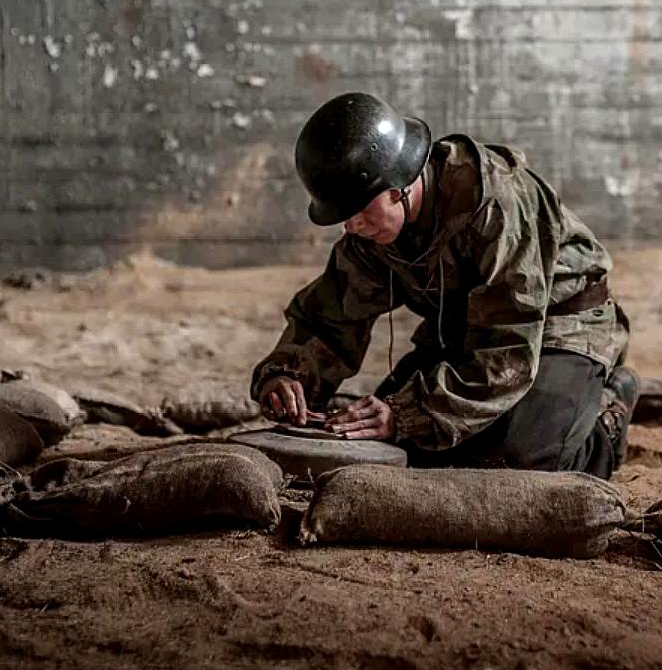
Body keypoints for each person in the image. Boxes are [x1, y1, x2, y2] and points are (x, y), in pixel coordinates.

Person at [248, 93, 639, 479]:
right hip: (468, 330)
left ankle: (608, 411)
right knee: (397, 445)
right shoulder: (370, 230)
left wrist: (404, 412)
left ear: (399, 185)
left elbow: (510, 350)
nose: (350, 227)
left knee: (520, 463)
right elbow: (331, 319)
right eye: (343, 215)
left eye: (359, 211)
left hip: (558, 327)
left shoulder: (495, 203)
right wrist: (290, 376)